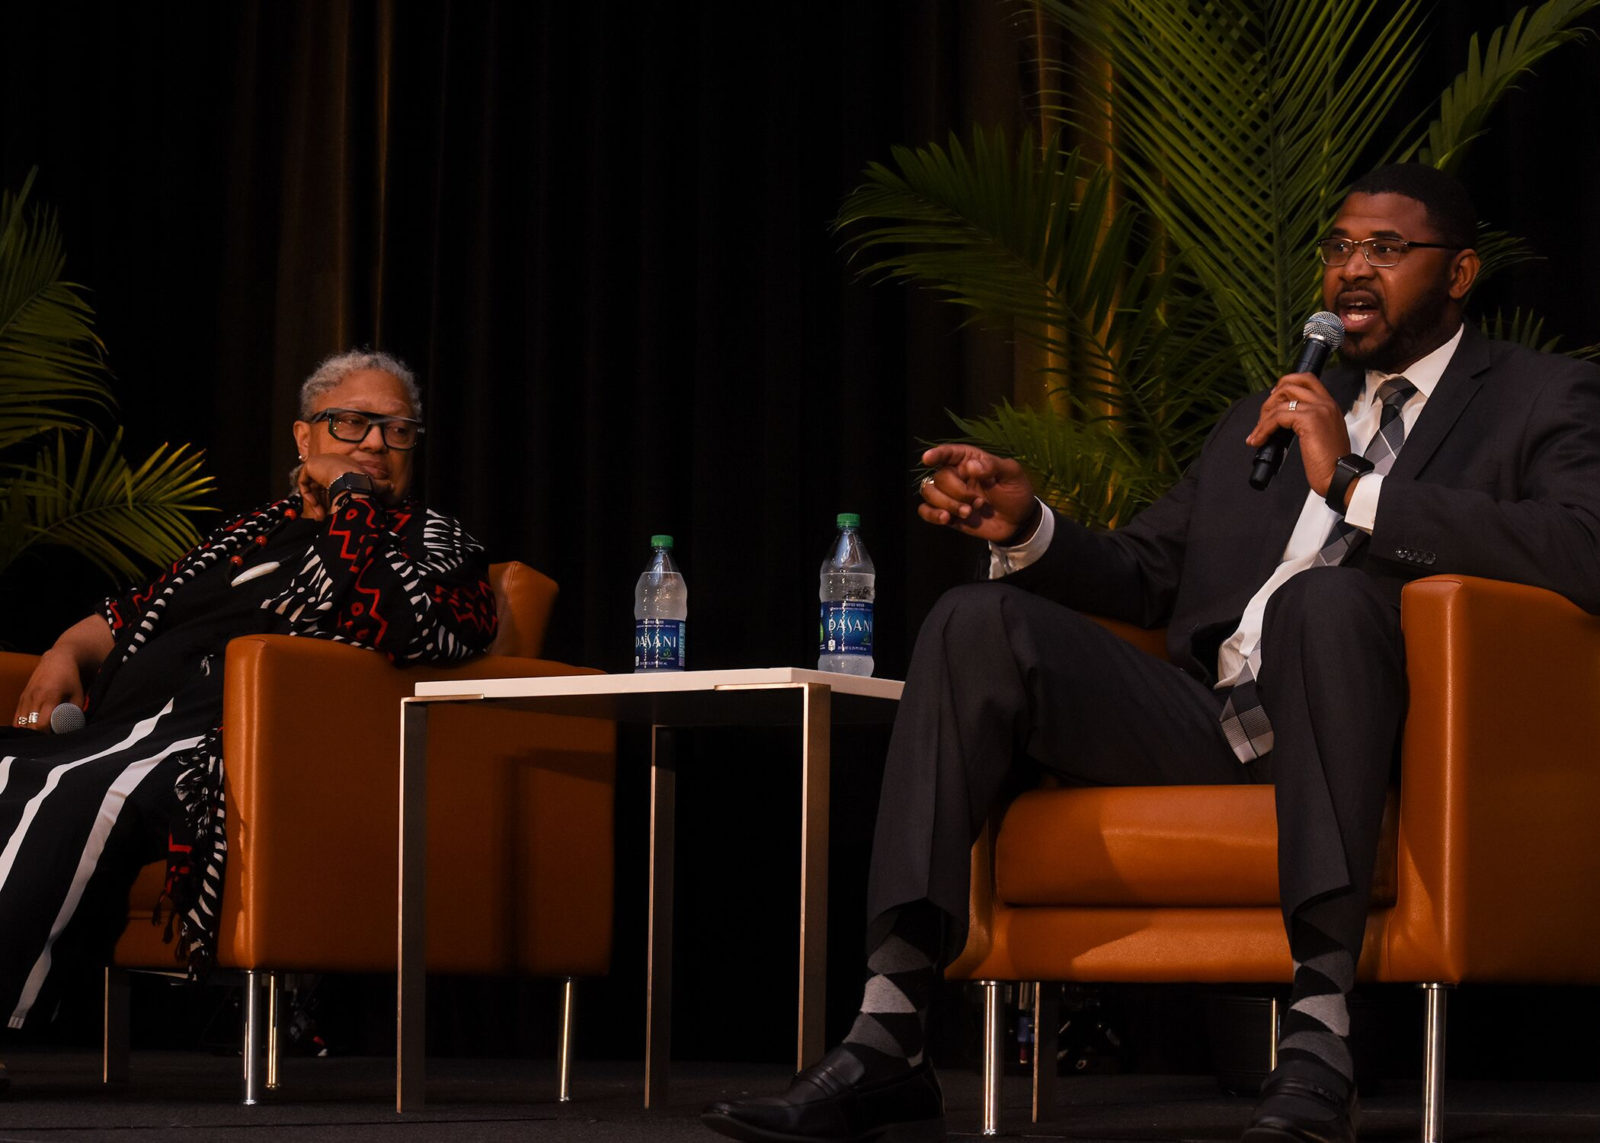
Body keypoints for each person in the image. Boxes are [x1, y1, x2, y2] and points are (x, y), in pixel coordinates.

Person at [701, 163, 1600, 1143]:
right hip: (1214, 722)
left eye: (1386, 250)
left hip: (1374, 737)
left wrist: (1352, 483)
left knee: (1324, 604)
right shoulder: (1270, 410)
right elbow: (1145, 571)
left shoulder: (1537, 395)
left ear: (1460, 270)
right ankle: (891, 1030)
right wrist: (1029, 525)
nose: (1351, 271)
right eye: (1339, 247)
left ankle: (1319, 1035)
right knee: (974, 620)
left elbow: (1580, 547)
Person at [0, 349, 498, 1093]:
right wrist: (63, 649)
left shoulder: (430, 542)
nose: (374, 443)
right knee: (18, 764)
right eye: (352, 422)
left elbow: (409, 627)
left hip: (235, 747)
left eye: (396, 432)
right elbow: (130, 611)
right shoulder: (243, 537)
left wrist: (355, 502)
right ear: (304, 437)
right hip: (126, 728)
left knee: (81, 787)